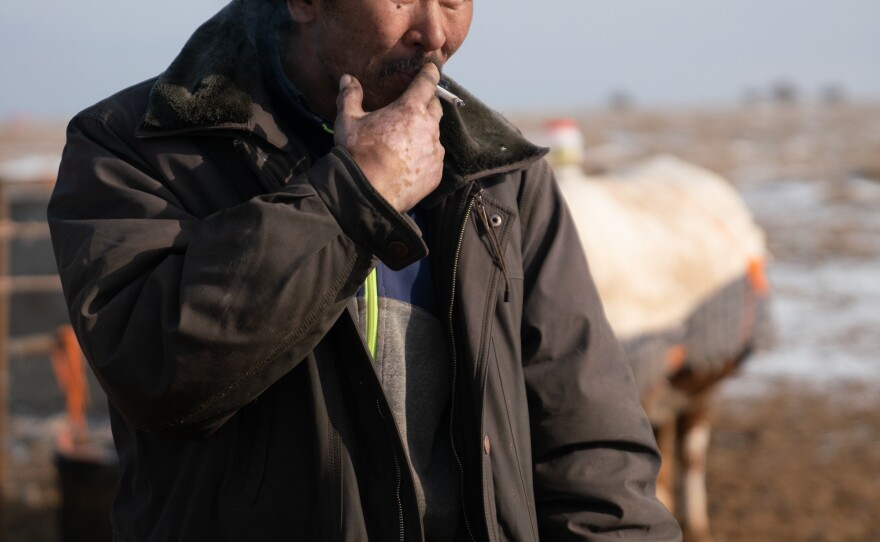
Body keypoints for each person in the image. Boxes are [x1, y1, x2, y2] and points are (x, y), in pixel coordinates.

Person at [48, 0, 682, 540]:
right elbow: (156, 374)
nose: (435, 33)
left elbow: (592, 448)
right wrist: (354, 197)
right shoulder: (136, 147)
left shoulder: (501, 177)